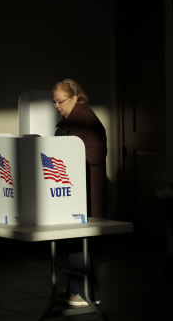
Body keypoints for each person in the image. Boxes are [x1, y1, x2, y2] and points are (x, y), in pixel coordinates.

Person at [52, 78, 107, 307]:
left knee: (79, 243)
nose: (57, 106)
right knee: (73, 243)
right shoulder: (68, 122)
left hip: (85, 192)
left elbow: (95, 155)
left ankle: (84, 292)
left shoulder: (86, 120)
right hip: (72, 191)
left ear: (75, 97)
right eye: (54, 102)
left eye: (60, 101)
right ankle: (81, 291)